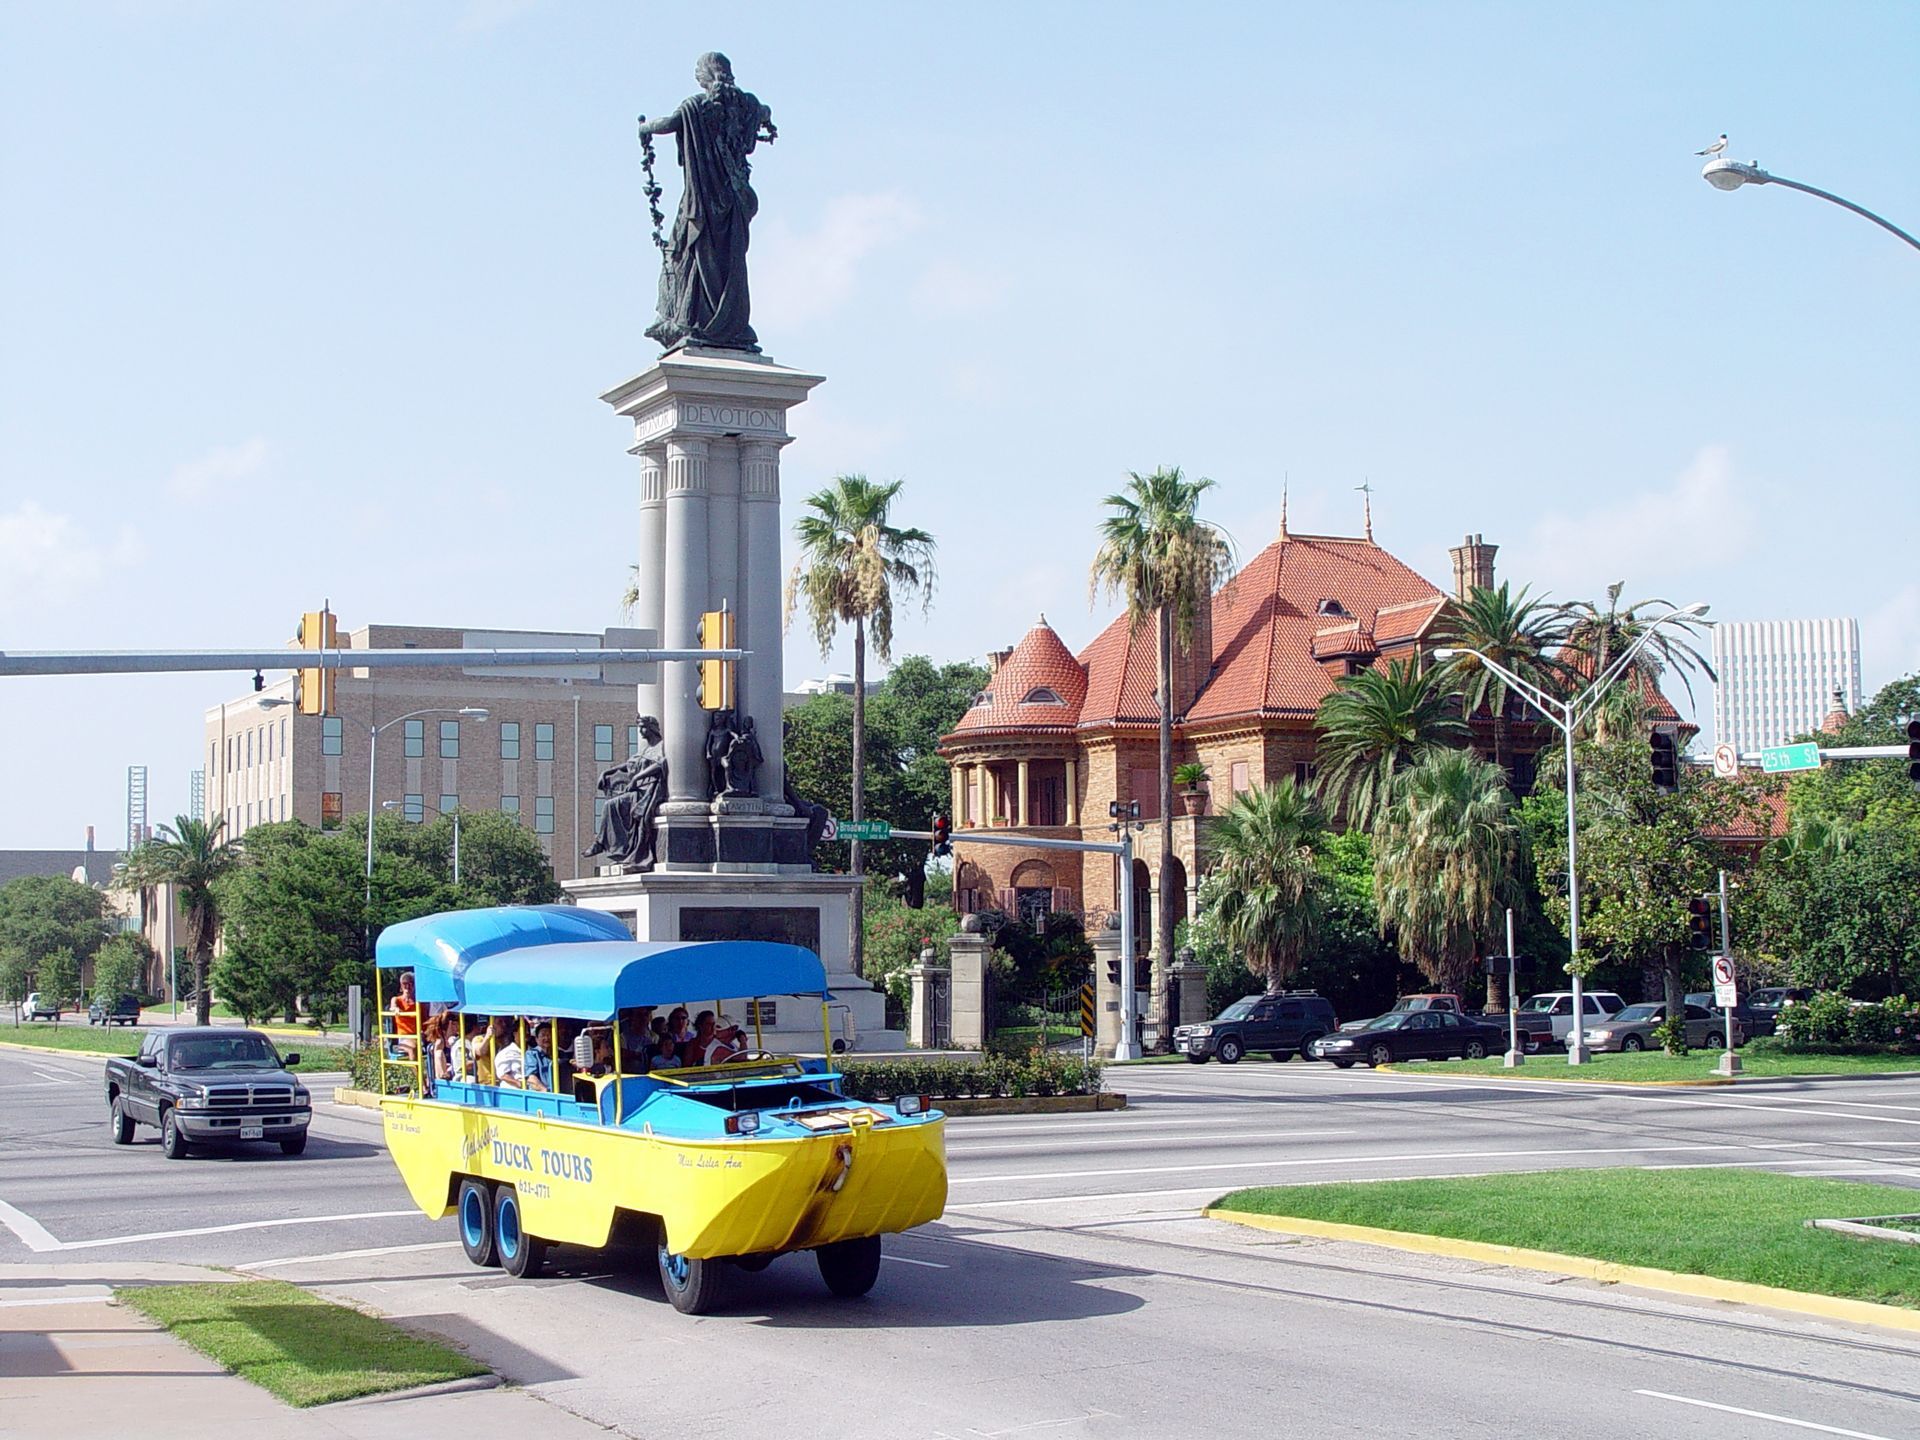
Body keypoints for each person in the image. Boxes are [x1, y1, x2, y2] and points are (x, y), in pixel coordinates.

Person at [638, 53, 776, 352]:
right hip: (737, 200)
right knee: (730, 261)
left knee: (686, 253)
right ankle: (729, 324)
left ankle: (696, 320)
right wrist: (764, 119)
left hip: (702, 204)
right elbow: (765, 112)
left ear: (705, 75)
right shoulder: (747, 104)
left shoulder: (695, 106)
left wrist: (645, 128)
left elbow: (668, 123)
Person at [582, 716, 668, 871]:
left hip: (648, 791)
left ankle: (602, 844)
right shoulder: (645, 749)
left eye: (643, 727)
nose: (641, 732)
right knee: (612, 805)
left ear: (652, 728)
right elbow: (629, 764)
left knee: (613, 805)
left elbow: (660, 764)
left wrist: (636, 778)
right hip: (638, 791)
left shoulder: (660, 746)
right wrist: (609, 771)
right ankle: (615, 848)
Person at [391, 970, 419, 1059]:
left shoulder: (419, 1003)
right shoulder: (397, 1000)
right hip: (404, 1037)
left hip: (419, 1035)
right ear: (401, 986)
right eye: (404, 984)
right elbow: (393, 1006)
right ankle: (417, 1072)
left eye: (411, 984)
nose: (407, 986)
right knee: (413, 1047)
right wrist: (395, 1008)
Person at [524, 1022, 553, 1093]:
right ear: (536, 1039)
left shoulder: (559, 1053)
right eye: (543, 1035)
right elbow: (531, 1078)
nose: (546, 1038)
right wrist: (545, 1091)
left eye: (549, 1035)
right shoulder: (532, 1054)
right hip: (541, 1095)